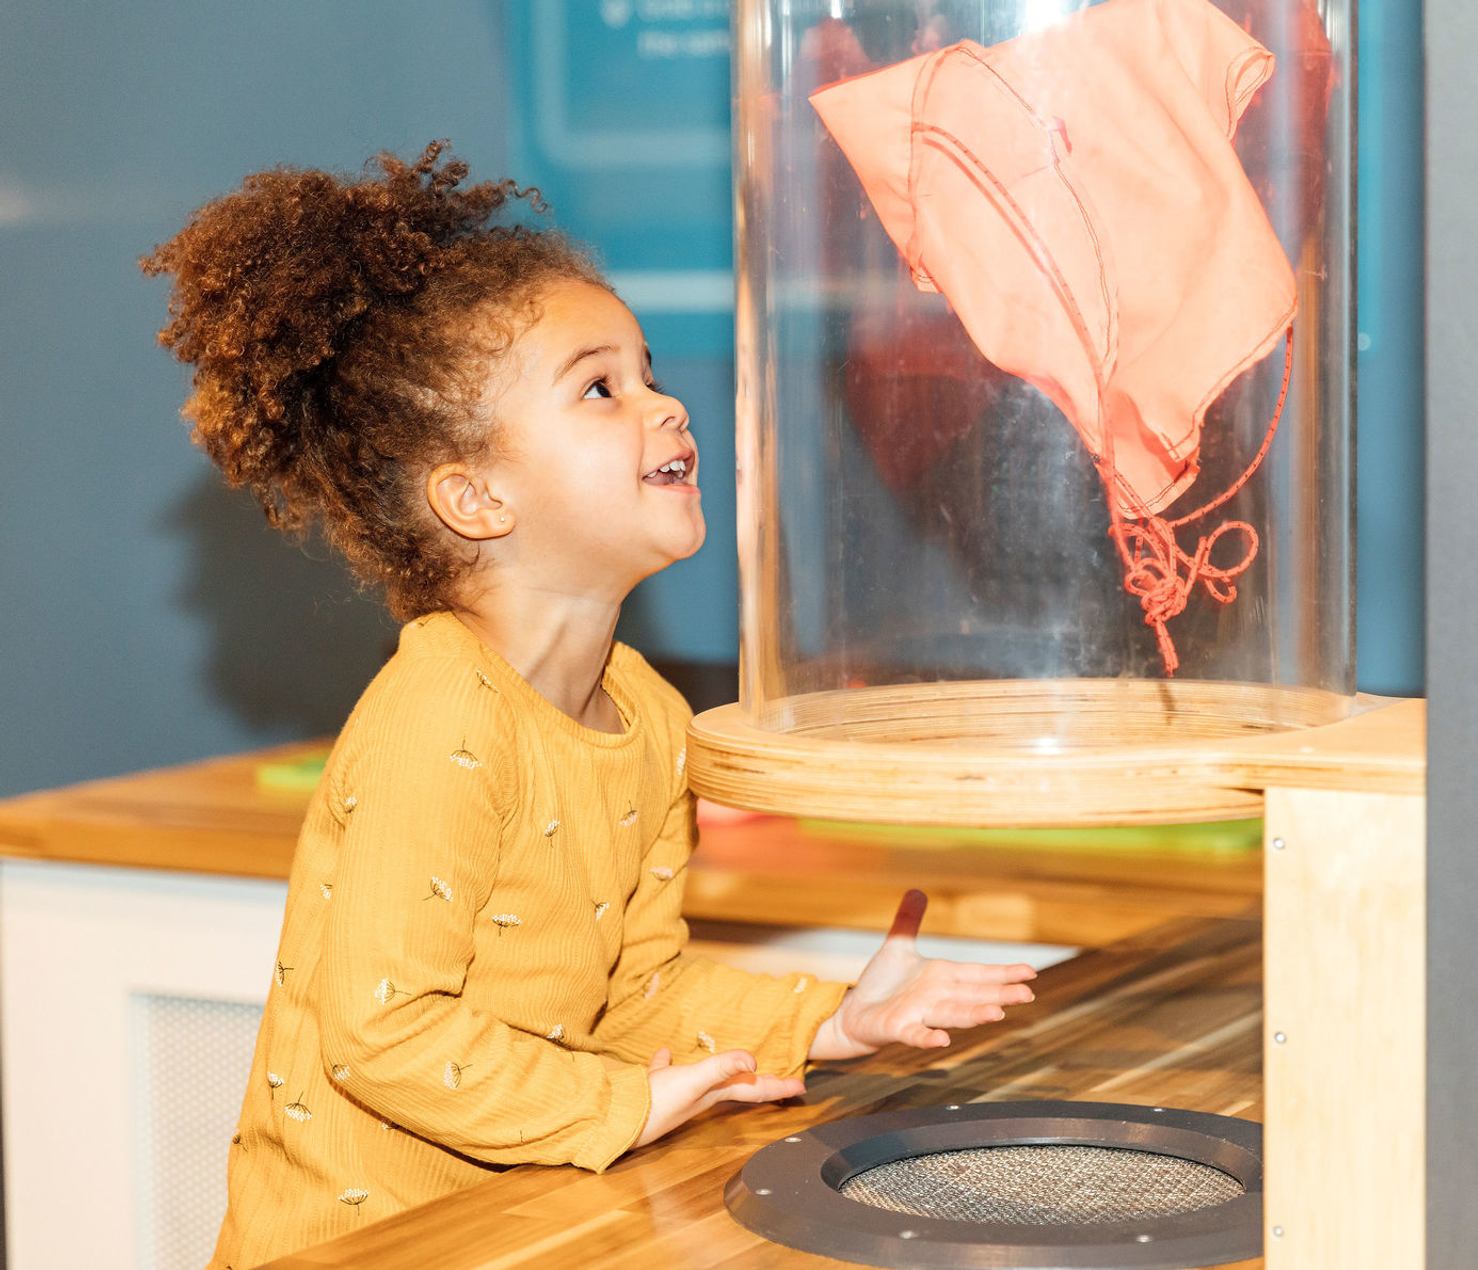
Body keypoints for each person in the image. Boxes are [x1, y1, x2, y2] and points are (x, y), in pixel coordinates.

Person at [141, 141, 1039, 1268]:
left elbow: (633, 990)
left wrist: (828, 1020)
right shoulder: (441, 717)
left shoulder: (649, 717)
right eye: (601, 388)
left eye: (651, 372)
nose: (666, 404)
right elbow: (383, 1033)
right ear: (476, 497)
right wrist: (619, 1108)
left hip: (522, 1231)